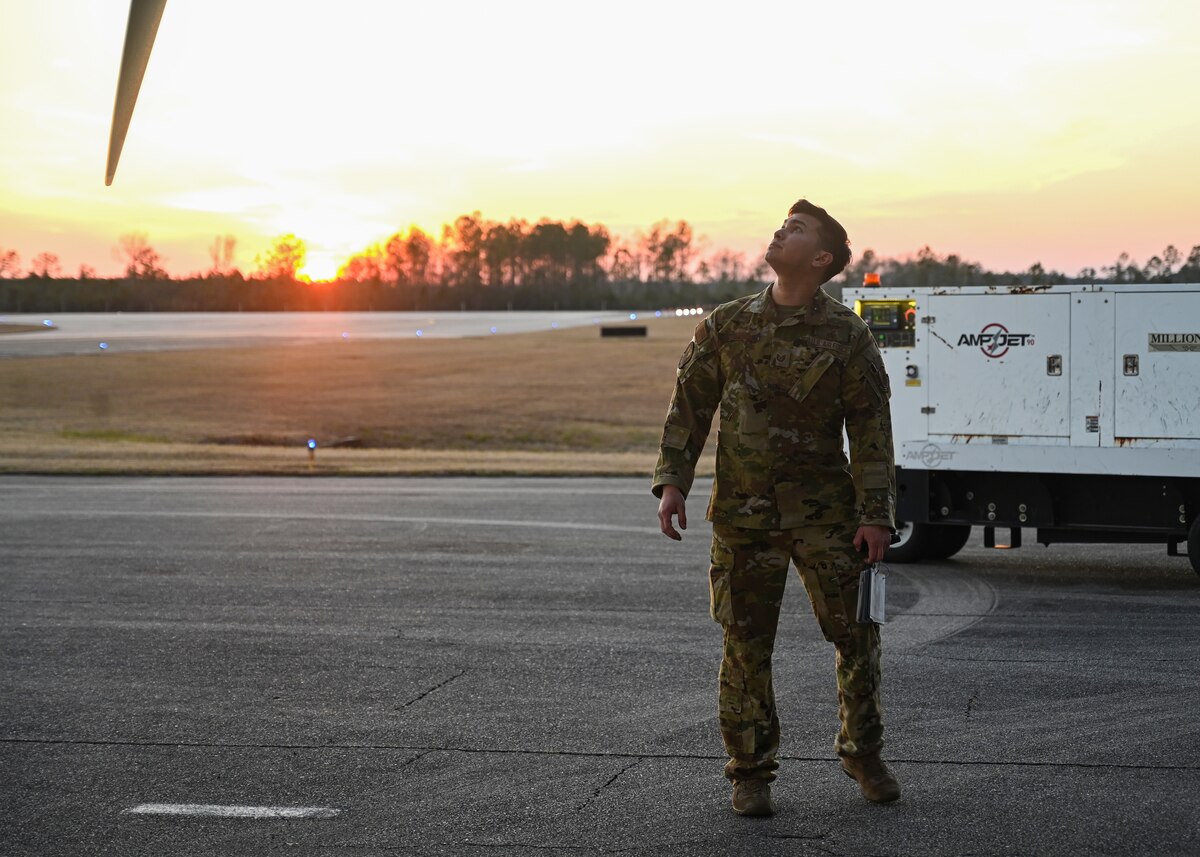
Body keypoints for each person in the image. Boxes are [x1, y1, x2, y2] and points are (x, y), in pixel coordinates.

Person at [652, 199, 900, 817]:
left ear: (821, 259)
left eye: (796, 229)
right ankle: (750, 771)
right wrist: (673, 481)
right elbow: (689, 407)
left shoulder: (847, 335)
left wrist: (875, 513)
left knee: (857, 638)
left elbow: (871, 428)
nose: (779, 230)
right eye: (782, 224)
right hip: (743, 516)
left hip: (827, 516)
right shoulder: (727, 325)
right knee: (744, 644)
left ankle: (862, 751)